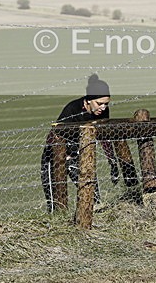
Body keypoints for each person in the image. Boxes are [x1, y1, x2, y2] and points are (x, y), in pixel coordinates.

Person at [41, 74, 120, 208]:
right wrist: (65, 155)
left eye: (106, 104)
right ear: (88, 100)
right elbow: (55, 135)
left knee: (93, 198)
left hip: (79, 154)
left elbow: (104, 137)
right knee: (54, 202)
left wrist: (112, 161)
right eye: (99, 104)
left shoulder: (103, 112)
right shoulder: (72, 109)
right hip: (54, 154)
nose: (103, 108)